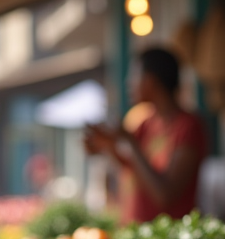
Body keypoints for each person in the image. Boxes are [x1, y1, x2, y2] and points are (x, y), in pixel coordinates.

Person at [85, 48, 206, 222]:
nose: (128, 83)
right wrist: (106, 146)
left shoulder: (188, 127)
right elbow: (130, 168)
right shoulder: (144, 122)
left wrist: (130, 142)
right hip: (136, 232)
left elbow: (165, 195)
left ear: (151, 81)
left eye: (134, 76)